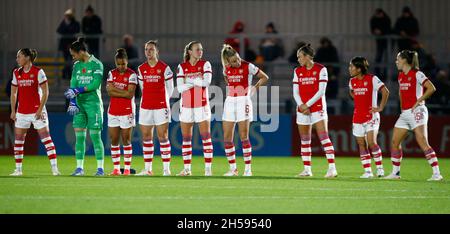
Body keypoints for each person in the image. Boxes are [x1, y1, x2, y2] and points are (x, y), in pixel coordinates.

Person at [384, 50, 443, 181]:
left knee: (422, 140)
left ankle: (436, 173)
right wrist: (402, 109)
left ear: (405, 60)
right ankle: (395, 173)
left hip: (418, 111)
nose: (396, 61)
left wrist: (418, 101)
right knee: (395, 142)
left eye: (398, 59)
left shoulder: (417, 74)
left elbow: (431, 88)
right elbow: (401, 93)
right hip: (405, 113)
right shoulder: (400, 76)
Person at [9, 48, 60, 176]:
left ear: (27, 57)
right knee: (19, 141)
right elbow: (13, 93)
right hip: (21, 112)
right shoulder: (16, 72)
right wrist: (13, 110)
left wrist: (39, 109)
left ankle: (55, 169)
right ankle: (18, 170)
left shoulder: (38, 72)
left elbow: (46, 92)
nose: (17, 59)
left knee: (46, 139)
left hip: (37, 112)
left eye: (19, 56)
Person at [220, 44, 269, 176]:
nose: (237, 62)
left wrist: (254, 89)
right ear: (227, 61)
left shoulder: (248, 66)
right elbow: (228, 83)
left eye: (237, 59)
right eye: (234, 61)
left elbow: (265, 77)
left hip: (243, 101)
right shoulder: (226, 70)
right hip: (230, 101)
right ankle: (233, 169)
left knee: (243, 136)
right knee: (227, 138)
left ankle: (248, 169)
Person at [292, 44, 338, 178]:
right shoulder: (297, 71)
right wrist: (301, 106)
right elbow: (295, 92)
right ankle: (307, 170)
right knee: (305, 140)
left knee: (324, 137)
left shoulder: (321, 69)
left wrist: (307, 105)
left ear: (307, 56)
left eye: (300, 57)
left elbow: (321, 92)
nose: (298, 60)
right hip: (302, 109)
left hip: (318, 108)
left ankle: (332, 168)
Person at [64, 37, 105, 176]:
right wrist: (73, 101)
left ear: (81, 51)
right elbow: (73, 83)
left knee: (95, 137)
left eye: (73, 54)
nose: (73, 57)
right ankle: (79, 168)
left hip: (93, 105)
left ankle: (100, 169)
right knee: (79, 137)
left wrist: (79, 90)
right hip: (79, 105)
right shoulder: (76, 65)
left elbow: (95, 84)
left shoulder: (97, 64)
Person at [135, 40, 174, 176]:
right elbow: (142, 88)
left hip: (161, 106)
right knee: (146, 137)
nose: (148, 52)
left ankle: (166, 169)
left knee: (163, 137)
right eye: (146, 49)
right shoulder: (141, 69)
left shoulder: (165, 68)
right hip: (146, 107)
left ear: (157, 51)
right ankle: (148, 169)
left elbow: (170, 89)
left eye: (151, 49)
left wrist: (162, 102)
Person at [176, 41, 214, 176]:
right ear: (189, 52)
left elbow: (206, 83)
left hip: (202, 104)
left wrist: (189, 81)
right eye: (197, 49)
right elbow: (180, 88)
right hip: (186, 105)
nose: (200, 51)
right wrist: (197, 81)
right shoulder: (182, 66)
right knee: (186, 138)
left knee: (206, 137)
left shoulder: (205, 64)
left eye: (201, 49)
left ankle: (208, 170)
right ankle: (187, 169)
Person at [348, 56, 389, 178]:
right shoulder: (352, 81)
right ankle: (367, 171)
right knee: (361, 144)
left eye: (352, 66)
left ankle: (380, 168)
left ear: (359, 69)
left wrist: (380, 107)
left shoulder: (372, 79)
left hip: (371, 116)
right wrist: (356, 97)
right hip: (357, 116)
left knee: (372, 142)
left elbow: (385, 91)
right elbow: (351, 91)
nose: (349, 69)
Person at [106, 49, 137, 176]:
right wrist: (122, 91)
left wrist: (115, 90)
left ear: (127, 62)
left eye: (123, 64)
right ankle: (117, 169)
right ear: (115, 63)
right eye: (118, 64)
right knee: (114, 140)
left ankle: (127, 169)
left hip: (127, 111)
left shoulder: (132, 74)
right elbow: (109, 92)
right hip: (113, 111)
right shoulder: (111, 73)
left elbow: (130, 95)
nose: (121, 66)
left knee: (126, 140)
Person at [370, 8, 392, 78]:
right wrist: (375, 31)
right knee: (378, 57)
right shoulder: (374, 19)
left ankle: (385, 74)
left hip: (386, 41)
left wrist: (381, 32)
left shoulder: (386, 19)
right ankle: (377, 73)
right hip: (379, 41)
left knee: (386, 58)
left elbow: (388, 29)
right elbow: (372, 29)